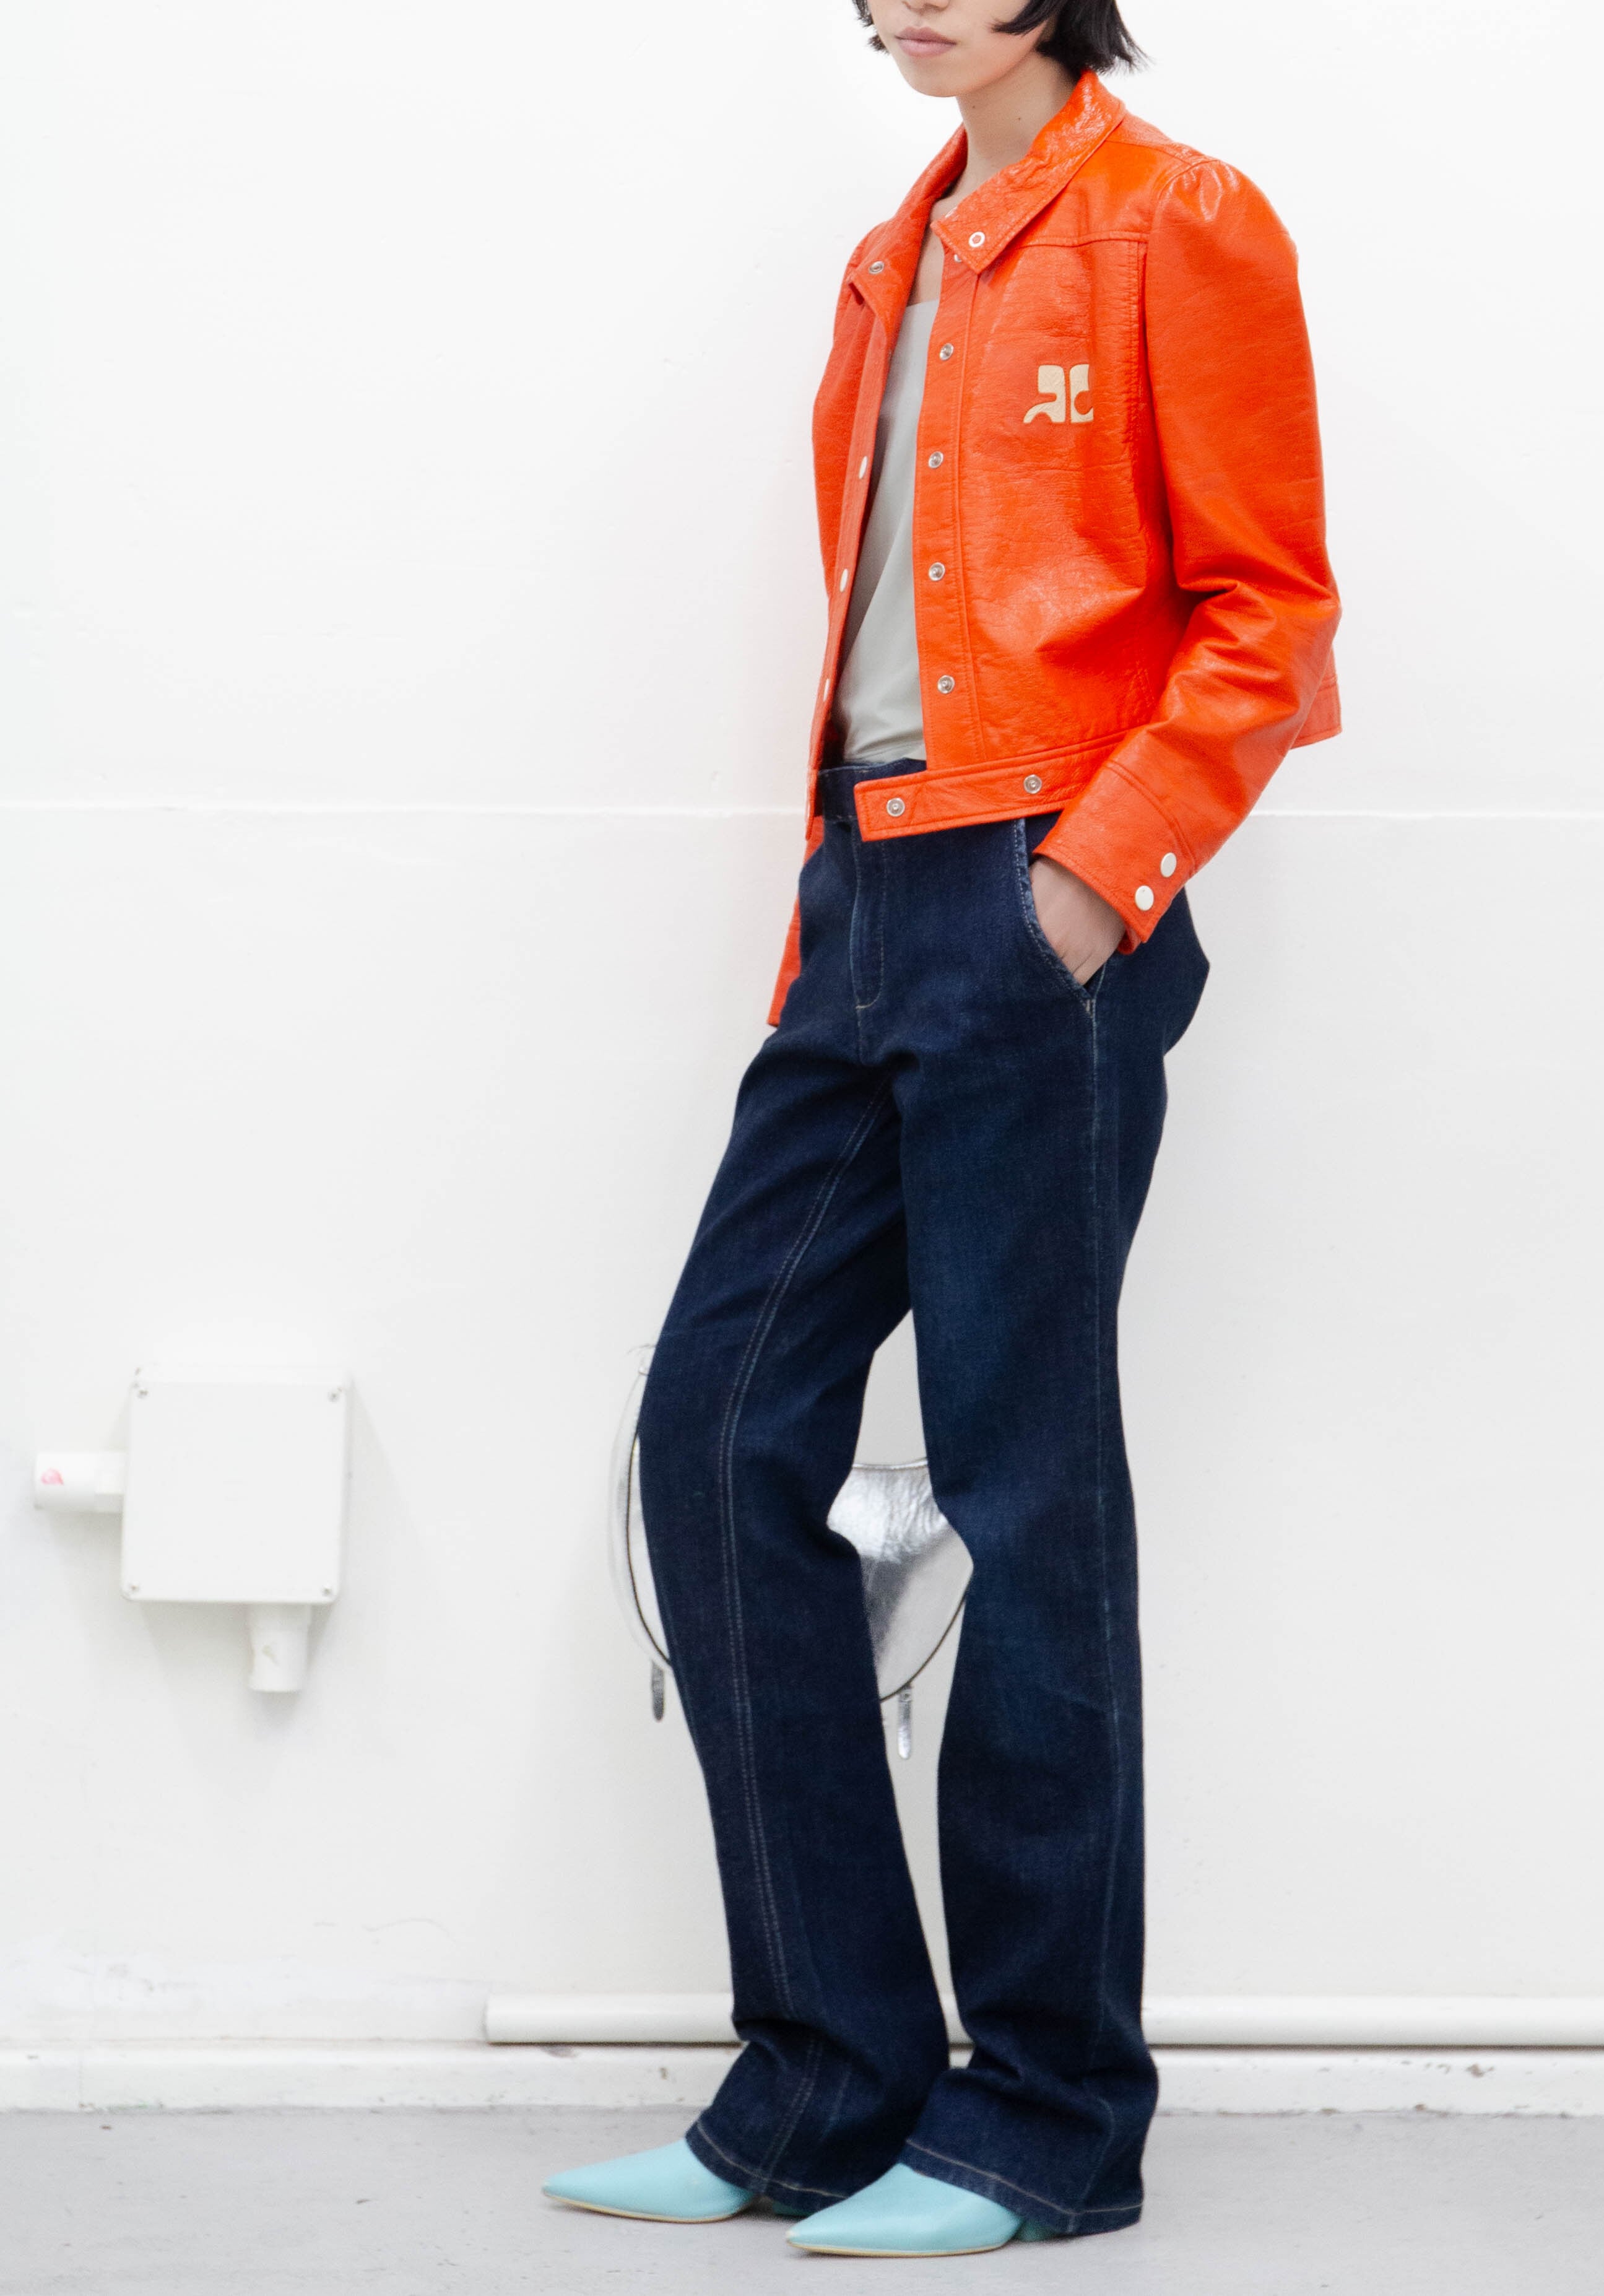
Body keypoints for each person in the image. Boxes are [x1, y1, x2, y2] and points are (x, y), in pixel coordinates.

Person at [542, 0, 1338, 2256]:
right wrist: (843, 895)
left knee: (1023, 1485)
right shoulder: (895, 253)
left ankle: (1049, 2113)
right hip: (865, 896)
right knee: (718, 1433)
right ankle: (824, 2077)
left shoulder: (1180, 218)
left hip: (1038, 890)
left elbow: (1270, 613)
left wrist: (1081, 894)